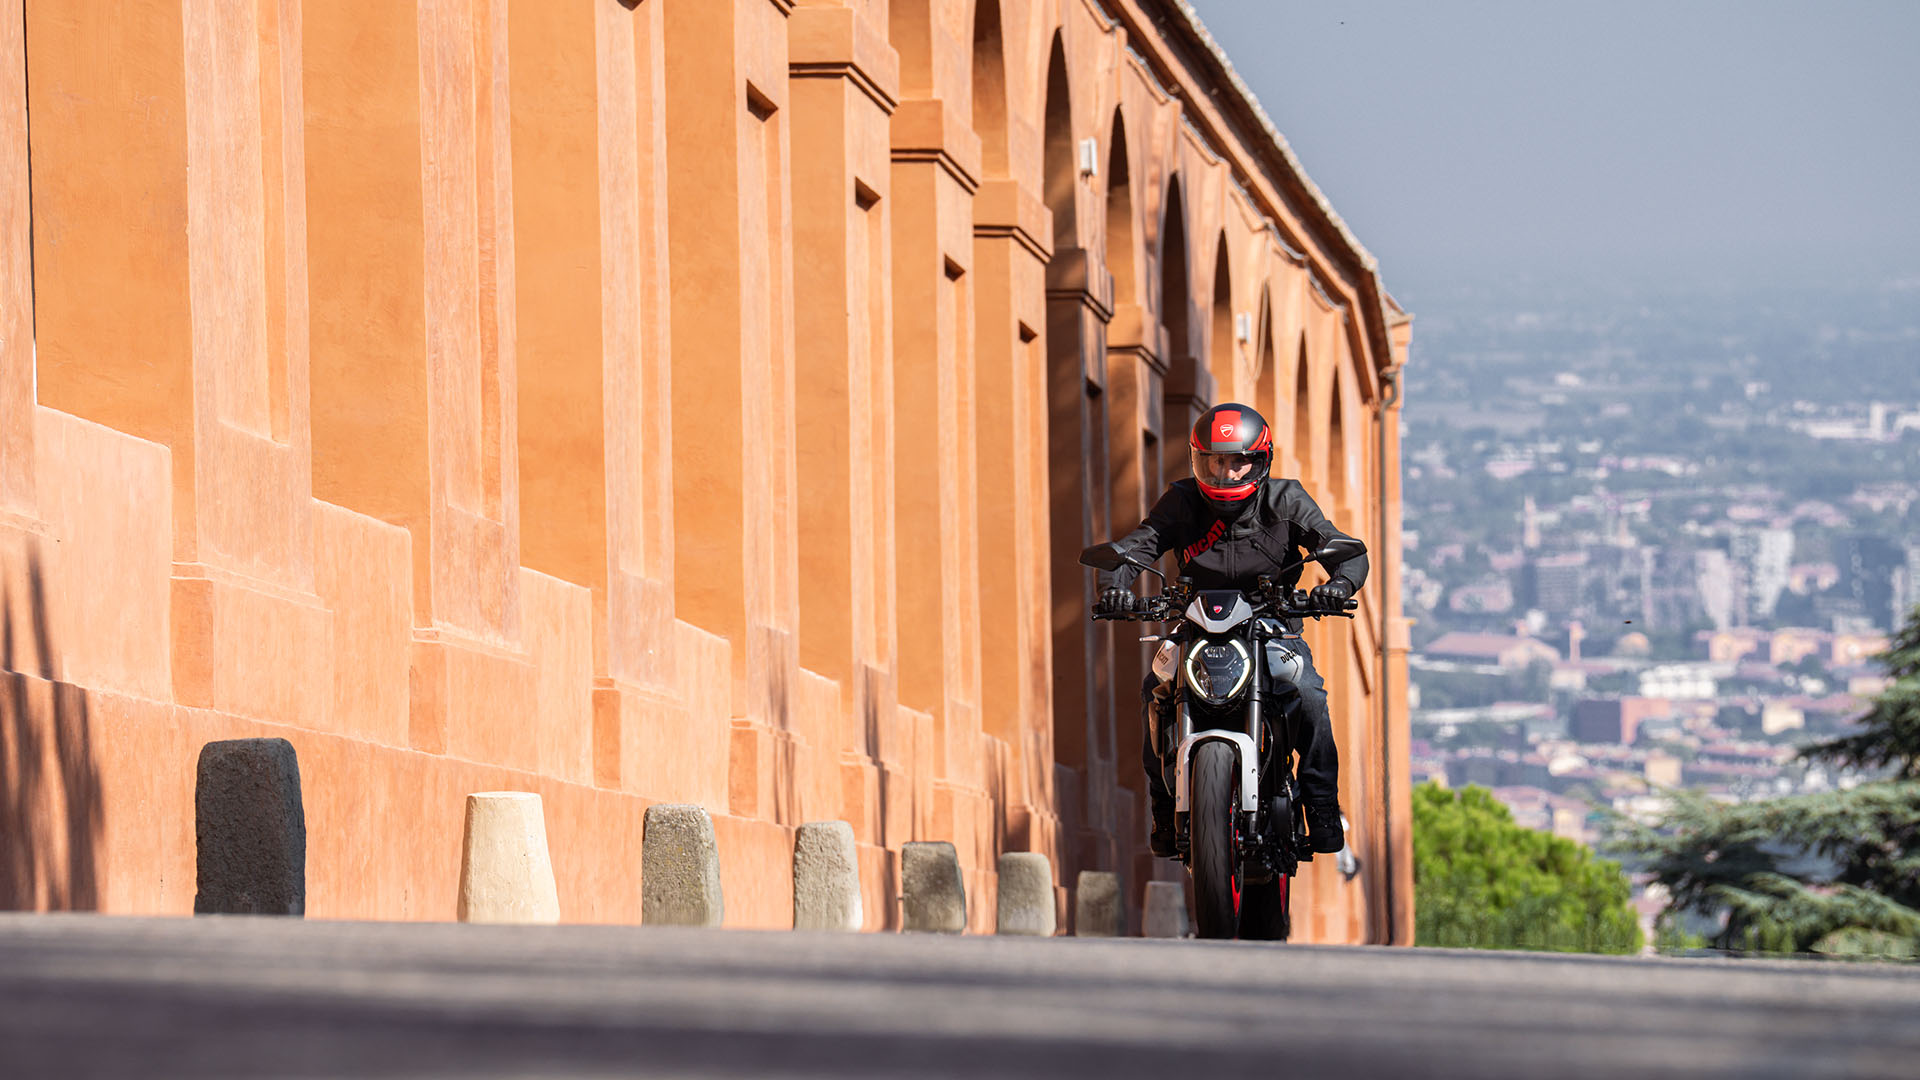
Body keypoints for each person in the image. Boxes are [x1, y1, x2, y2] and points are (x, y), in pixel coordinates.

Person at [1092, 402, 1367, 859]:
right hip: (1195, 623)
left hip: (1272, 624)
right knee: (1155, 693)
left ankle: (1320, 806)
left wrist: (1337, 585)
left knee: (1310, 696)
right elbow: (1134, 548)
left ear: (1261, 461)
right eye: (1215, 461)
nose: (1226, 472)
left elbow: (1343, 550)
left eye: (1238, 460)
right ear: (1199, 459)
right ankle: (1163, 807)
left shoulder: (1285, 499)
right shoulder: (1181, 501)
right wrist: (1114, 587)